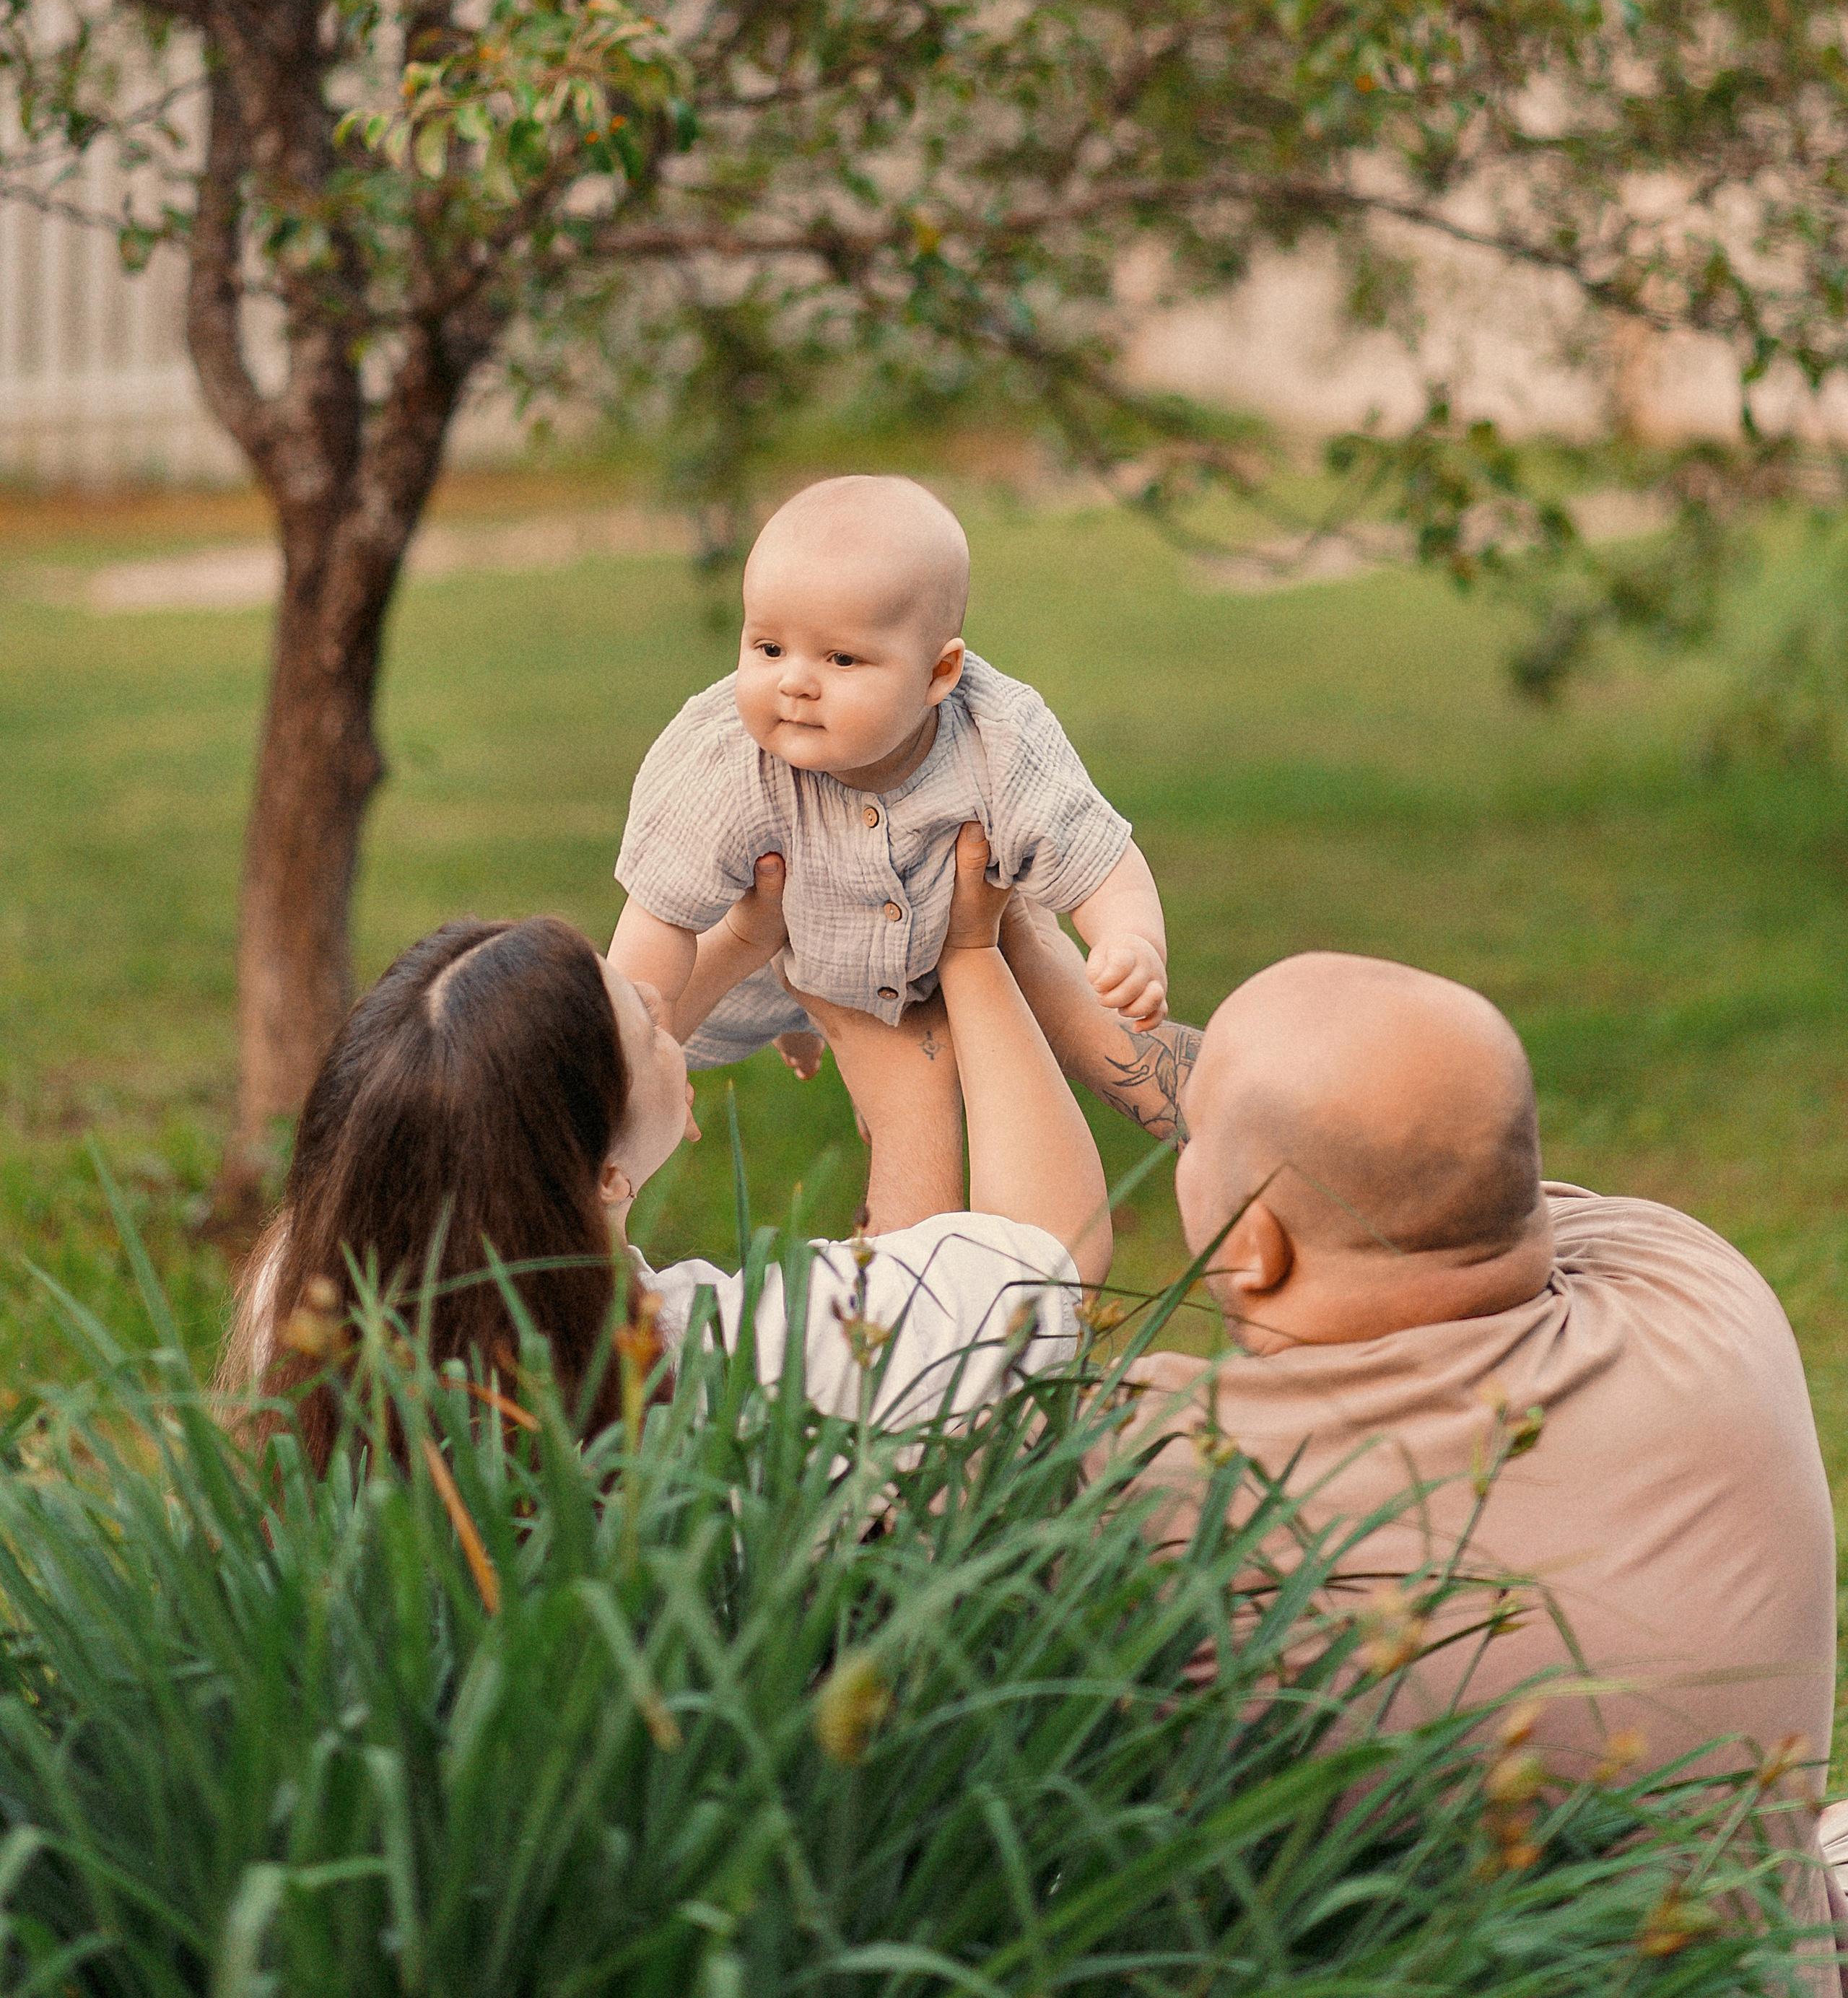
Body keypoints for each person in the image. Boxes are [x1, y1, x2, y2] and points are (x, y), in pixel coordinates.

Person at [1042, 944, 1838, 1986]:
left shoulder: (1157, 1474)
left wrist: (949, 986)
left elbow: (943, 1334)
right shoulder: (1696, 1287)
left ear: (1255, 1248)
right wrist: (1024, 946)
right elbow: (1400, 1162)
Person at [225, 830, 1111, 1455]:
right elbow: (1045, 1257)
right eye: (645, 1027)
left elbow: (510, 1117)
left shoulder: (303, 1309)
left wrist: (740, 942)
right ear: (605, 1173)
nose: (666, 1002)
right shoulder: (720, 1371)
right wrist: (969, 953)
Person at [608, 475, 1172, 1091]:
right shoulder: (725, 761)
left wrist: (1130, 939)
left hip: (934, 966)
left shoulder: (999, 742)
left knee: (983, 1063)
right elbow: (660, 919)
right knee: (709, 1024)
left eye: (841, 659)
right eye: (769, 648)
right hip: (770, 968)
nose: (795, 682)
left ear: (939, 673)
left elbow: (1098, 858)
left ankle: (867, 1067)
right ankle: (798, 1025)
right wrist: (636, 1045)